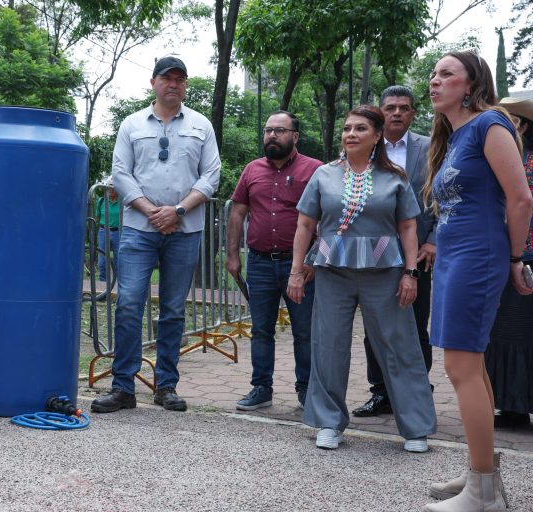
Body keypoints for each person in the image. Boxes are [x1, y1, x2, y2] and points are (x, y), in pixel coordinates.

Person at [287, 105, 437, 453]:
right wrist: (297, 271)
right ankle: (328, 422)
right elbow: (305, 226)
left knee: (399, 346)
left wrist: (411, 273)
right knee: (328, 346)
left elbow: (408, 227)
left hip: (385, 274)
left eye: (360, 129)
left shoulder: (395, 176)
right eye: (347, 128)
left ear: (377, 136)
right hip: (332, 274)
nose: (351, 134)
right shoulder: (324, 174)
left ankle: (415, 427)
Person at [422, 51, 533, 512]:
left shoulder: (491, 124)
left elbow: (521, 198)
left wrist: (513, 257)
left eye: (446, 74)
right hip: (455, 256)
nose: (434, 81)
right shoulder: (456, 136)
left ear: (471, 84)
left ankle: (483, 491)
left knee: (461, 368)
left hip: (479, 256)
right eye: (432, 73)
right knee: (471, 367)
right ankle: (481, 473)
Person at [90, 56, 221, 413]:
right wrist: (152, 211)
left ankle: (166, 386)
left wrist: (177, 211)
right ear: (153, 82)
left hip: (185, 228)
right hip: (138, 229)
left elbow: (211, 175)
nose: (173, 84)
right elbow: (121, 173)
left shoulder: (201, 125)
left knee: (174, 310)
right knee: (129, 303)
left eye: (180, 79)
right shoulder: (131, 124)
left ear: (185, 85)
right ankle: (123, 388)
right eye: (167, 78)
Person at [226, 110, 321, 410]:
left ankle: (307, 390)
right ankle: (261, 388)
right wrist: (232, 256)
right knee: (261, 329)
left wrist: (315, 261)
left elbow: (328, 218)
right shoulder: (252, 170)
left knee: (304, 331)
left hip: (301, 266)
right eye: (268, 130)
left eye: (279, 131)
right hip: (260, 263)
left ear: (295, 136)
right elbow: (238, 211)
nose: (271, 136)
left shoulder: (315, 169)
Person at [353, 86, 437, 418]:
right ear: (381, 112)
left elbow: (442, 199)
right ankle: (381, 391)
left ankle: (418, 389)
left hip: (418, 253)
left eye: (404, 107)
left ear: (413, 113)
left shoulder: (431, 148)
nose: (397, 113)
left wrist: (433, 241)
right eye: (390, 108)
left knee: (415, 325)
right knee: (374, 325)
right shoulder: (365, 147)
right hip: (373, 251)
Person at [484, 96, 533, 429]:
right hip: (508, 256)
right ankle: (512, 405)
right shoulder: (508, 158)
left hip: (522, 256)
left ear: (522, 125)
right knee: (508, 332)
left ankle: (516, 405)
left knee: (518, 332)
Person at [95, 178, 121, 282]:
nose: (111, 190)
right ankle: (103, 283)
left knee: (118, 259)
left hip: (117, 232)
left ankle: (119, 283)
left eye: (113, 188)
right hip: (103, 231)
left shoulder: (122, 202)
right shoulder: (101, 201)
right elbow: (97, 218)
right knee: (102, 260)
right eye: (109, 187)